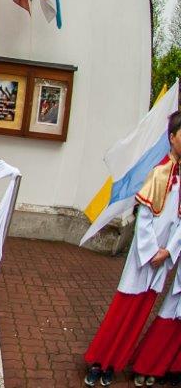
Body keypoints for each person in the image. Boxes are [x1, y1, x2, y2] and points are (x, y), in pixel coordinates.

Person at [83, 111, 181, 387]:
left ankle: (115, 363)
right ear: (171, 138)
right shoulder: (159, 173)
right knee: (123, 310)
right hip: (144, 257)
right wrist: (151, 252)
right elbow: (144, 218)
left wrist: (168, 251)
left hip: (163, 258)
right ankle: (98, 361)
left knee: (139, 315)